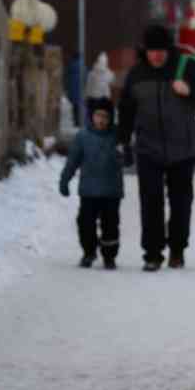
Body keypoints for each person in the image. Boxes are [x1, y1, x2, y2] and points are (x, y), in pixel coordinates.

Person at [116, 24, 195, 271]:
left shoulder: (187, 67)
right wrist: (123, 141)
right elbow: (126, 110)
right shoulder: (137, 74)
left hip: (182, 148)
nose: (156, 55)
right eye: (152, 50)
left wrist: (190, 90)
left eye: (161, 50)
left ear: (168, 49)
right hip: (148, 148)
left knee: (181, 203)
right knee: (150, 202)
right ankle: (152, 253)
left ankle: (177, 250)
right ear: (145, 50)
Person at [59, 98, 124, 269]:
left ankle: (109, 256)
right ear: (91, 116)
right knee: (85, 223)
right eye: (98, 115)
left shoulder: (117, 136)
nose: (101, 120)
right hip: (89, 191)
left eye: (105, 116)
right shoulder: (83, 137)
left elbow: (127, 160)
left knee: (111, 226)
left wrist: (124, 154)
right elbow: (73, 161)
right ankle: (89, 252)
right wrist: (65, 180)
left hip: (111, 191)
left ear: (111, 118)